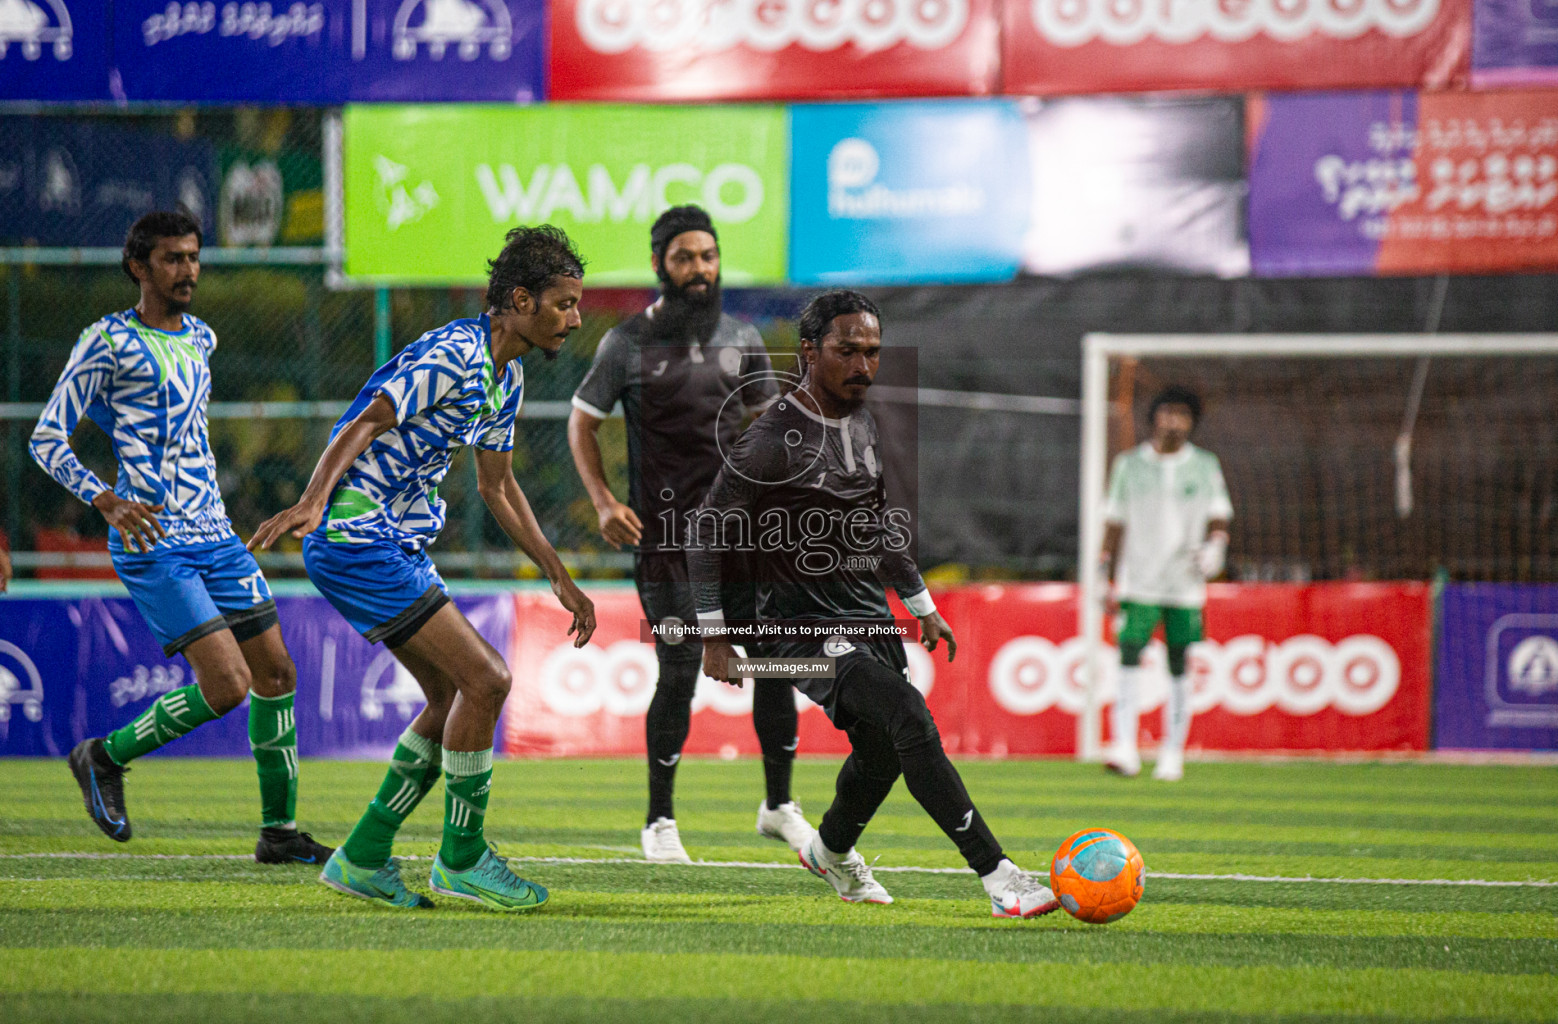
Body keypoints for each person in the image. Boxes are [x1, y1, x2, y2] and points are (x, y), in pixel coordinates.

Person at [250, 225, 597, 911]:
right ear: (520, 300)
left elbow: (496, 487)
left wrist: (556, 571)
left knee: (451, 698)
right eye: (565, 303)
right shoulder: (455, 353)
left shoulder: (506, 375)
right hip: (355, 536)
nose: (576, 317)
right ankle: (462, 857)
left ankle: (365, 856)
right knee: (488, 679)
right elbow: (364, 421)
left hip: (390, 543)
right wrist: (314, 501)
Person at [692, 290, 1058, 919]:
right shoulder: (772, 437)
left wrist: (921, 605)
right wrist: (715, 635)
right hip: (800, 631)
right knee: (910, 717)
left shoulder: (861, 422)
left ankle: (831, 851)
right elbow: (704, 530)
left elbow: (878, 525)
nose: (863, 365)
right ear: (810, 352)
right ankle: (1000, 878)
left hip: (867, 616)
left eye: (873, 352)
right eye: (847, 351)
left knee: (884, 749)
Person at [30, 210, 330, 864]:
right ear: (139, 266)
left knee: (276, 671)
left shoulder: (202, 338)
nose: (188, 269)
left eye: (193, 256)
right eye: (172, 258)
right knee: (226, 687)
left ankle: (278, 833)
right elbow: (46, 437)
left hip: (217, 537)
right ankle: (102, 756)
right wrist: (104, 498)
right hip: (155, 541)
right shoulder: (106, 341)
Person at [568, 205, 810, 864]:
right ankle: (659, 821)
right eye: (684, 257)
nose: (699, 268)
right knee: (679, 668)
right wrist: (603, 501)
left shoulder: (743, 337)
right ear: (659, 265)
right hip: (667, 543)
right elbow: (581, 422)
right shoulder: (625, 343)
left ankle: (779, 805)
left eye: (707, 255)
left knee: (775, 666)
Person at [1100, 385, 1232, 782]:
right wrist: (1103, 575)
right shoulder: (1129, 464)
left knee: (1178, 661)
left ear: (1192, 422)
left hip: (1184, 582)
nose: (1175, 421)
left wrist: (1216, 547)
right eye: (1168, 412)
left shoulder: (1205, 465)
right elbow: (1113, 520)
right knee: (1128, 653)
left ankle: (1172, 752)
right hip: (1138, 579)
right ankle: (1125, 746)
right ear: (1155, 417)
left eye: (1183, 414)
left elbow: (1219, 514)